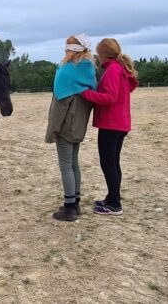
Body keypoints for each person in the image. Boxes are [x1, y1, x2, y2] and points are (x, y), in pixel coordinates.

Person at [80, 38, 138, 216]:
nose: (97, 56)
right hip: (119, 123)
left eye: (98, 52)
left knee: (109, 163)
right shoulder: (120, 68)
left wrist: (86, 93)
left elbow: (110, 98)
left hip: (111, 124)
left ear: (103, 53)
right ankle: (112, 198)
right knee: (113, 162)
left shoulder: (113, 70)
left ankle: (114, 205)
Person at [45, 34, 97, 221]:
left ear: (71, 50)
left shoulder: (66, 71)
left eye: (66, 47)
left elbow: (60, 106)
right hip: (79, 123)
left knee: (66, 165)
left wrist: (53, 129)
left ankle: (69, 209)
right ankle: (75, 203)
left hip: (67, 123)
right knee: (73, 163)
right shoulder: (88, 68)